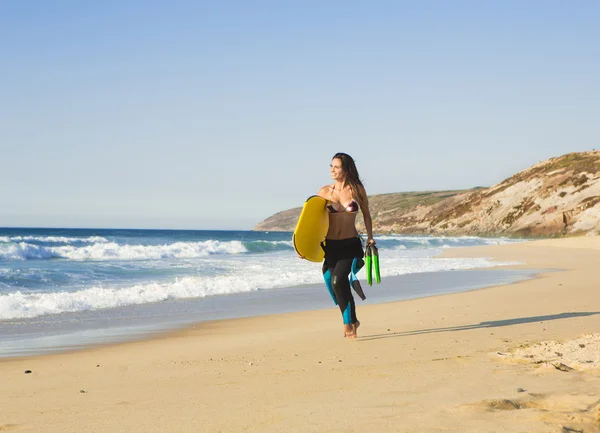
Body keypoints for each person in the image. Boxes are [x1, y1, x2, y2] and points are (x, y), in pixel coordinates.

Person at [317, 152, 376, 339]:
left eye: (337, 167)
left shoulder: (356, 190)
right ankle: (354, 320)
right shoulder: (325, 192)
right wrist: (303, 246)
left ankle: (348, 325)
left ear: (346, 169)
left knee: (338, 280)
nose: (332, 170)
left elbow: (366, 214)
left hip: (350, 244)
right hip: (331, 245)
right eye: (331, 166)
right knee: (332, 282)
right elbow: (313, 220)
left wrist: (370, 238)